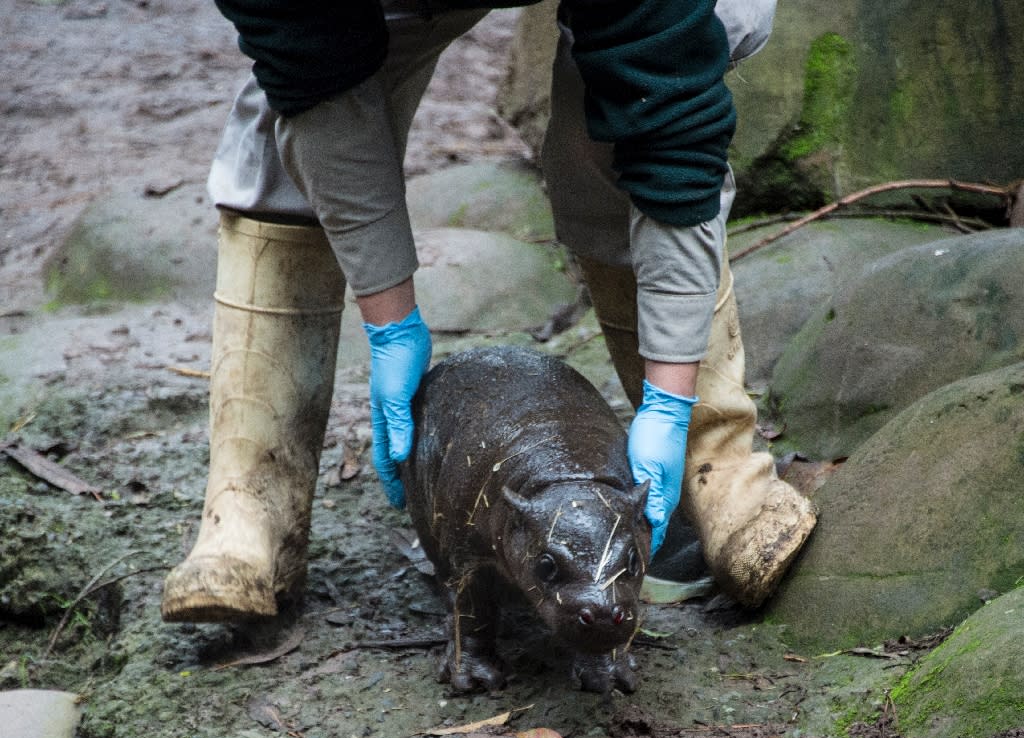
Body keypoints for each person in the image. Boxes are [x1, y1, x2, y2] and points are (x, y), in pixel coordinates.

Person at [161, 0, 816, 624]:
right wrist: (389, 318)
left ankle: (719, 467)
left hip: (656, 18)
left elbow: (668, 109)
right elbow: (309, 64)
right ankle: (249, 502)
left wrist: (672, 402)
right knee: (284, 136)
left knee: (616, 120)